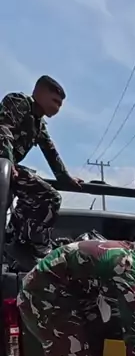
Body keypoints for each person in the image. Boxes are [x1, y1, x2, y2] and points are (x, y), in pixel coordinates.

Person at [0, 76, 82, 258]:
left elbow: (50, 151)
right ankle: (37, 242)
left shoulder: (38, 123)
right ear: (40, 93)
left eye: (60, 104)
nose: (57, 108)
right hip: (4, 164)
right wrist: (7, 159)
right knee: (50, 196)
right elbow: (3, 128)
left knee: (37, 196)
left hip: (9, 169)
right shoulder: (19, 102)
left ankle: (13, 238)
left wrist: (65, 177)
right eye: (55, 101)